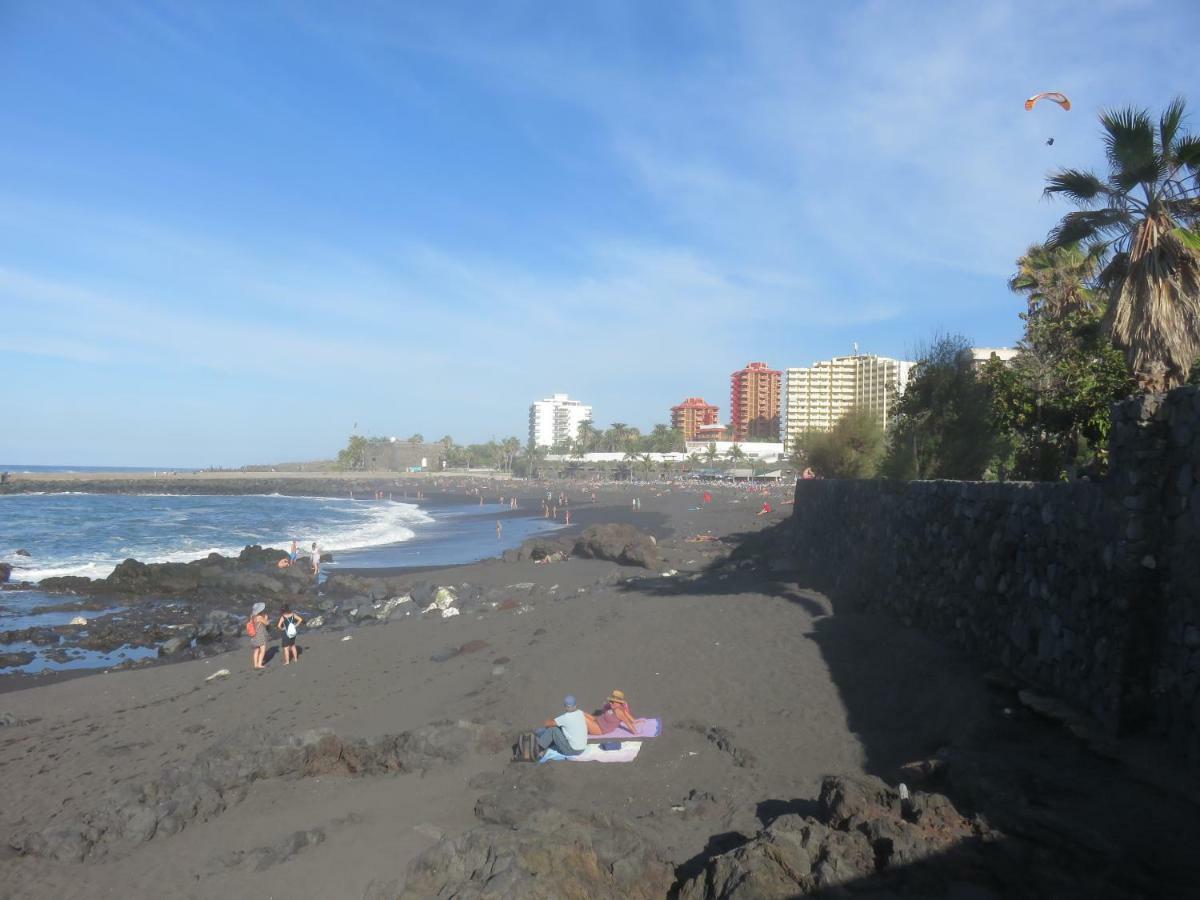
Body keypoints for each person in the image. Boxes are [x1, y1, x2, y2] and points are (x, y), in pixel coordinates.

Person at [248, 602, 270, 669]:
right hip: (260, 635)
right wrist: (266, 618)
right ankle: (260, 664)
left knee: (256, 650)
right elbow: (267, 623)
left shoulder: (252, 616)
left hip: (254, 635)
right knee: (262, 649)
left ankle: (255, 665)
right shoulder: (260, 617)